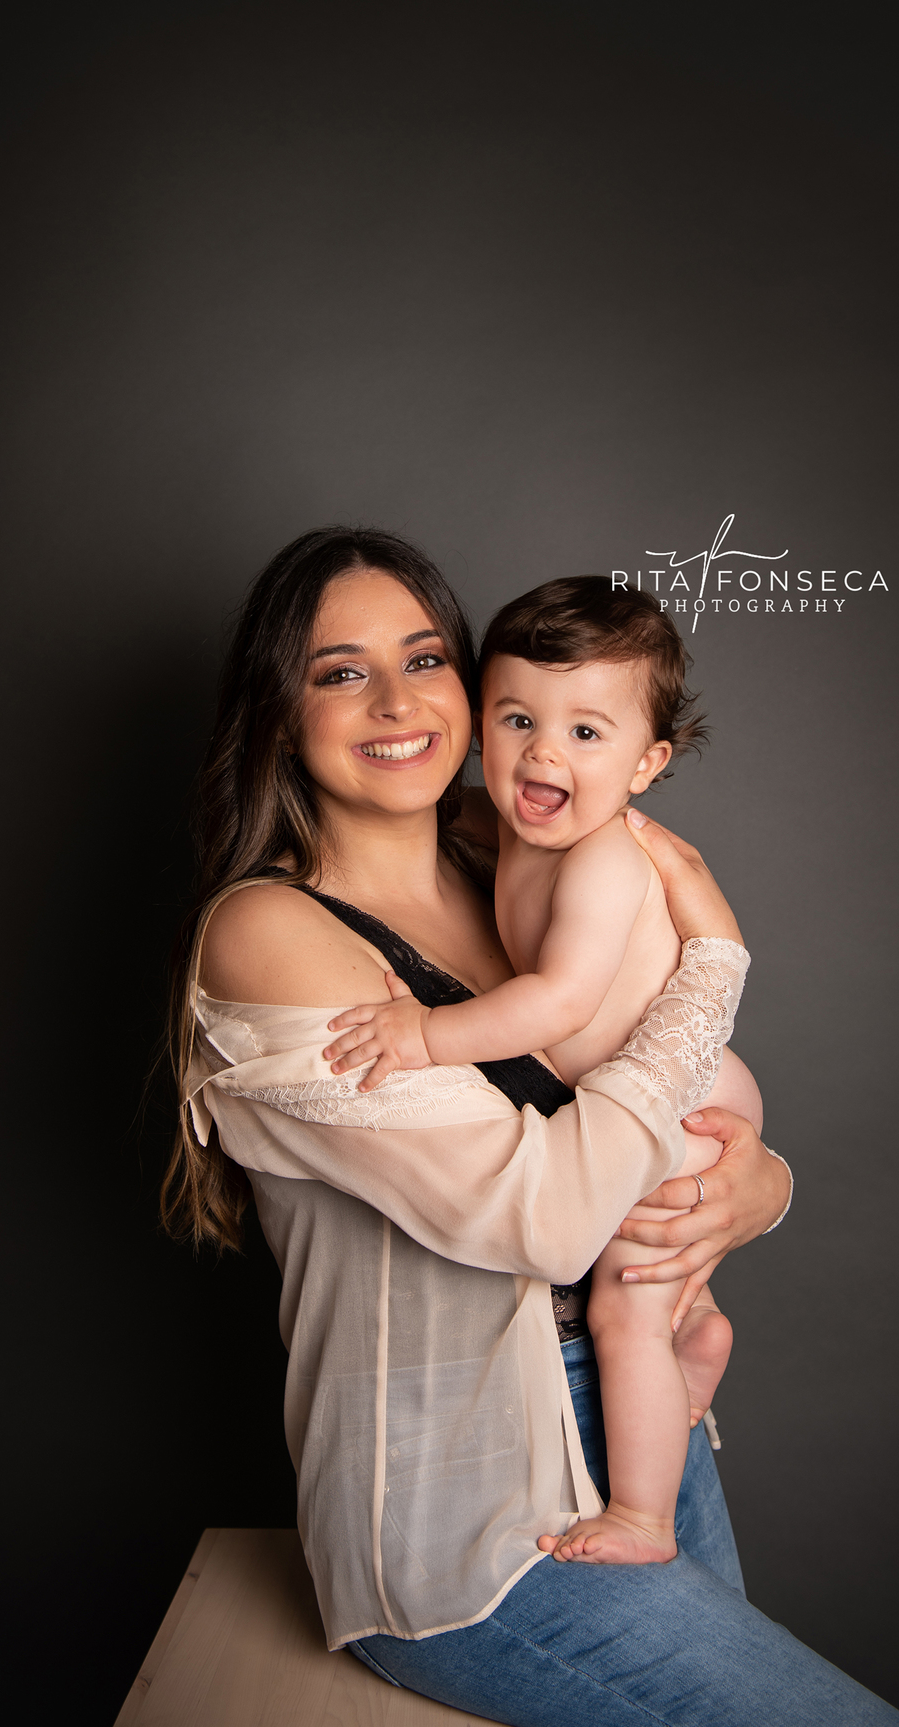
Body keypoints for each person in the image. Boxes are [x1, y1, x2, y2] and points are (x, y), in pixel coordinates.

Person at [161, 524, 899, 1727]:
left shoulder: (514, 849)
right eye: (339, 672)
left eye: (423, 659)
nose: (396, 702)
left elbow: (674, 1123)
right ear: (279, 712)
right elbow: (548, 1217)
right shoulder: (271, 930)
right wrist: (714, 969)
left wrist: (761, 1186)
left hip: (642, 1408)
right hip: (474, 1521)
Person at [321, 576, 762, 1568]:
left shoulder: (603, 859)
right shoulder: (510, 826)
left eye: (586, 733)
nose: (544, 753)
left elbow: (559, 1003)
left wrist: (425, 1034)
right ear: (481, 724)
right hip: (652, 1098)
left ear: (648, 764)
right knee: (652, 1286)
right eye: (518, 720)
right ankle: (696, 1327)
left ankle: (643, 1517)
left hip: (684, 1099)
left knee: (620, 1306)